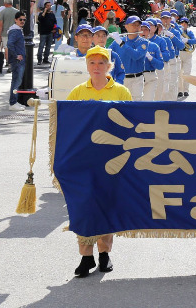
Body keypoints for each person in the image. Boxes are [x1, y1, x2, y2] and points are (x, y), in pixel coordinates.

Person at [66, 45, 132, 278]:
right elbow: (68, 126)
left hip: (112, 159)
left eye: (101, 63)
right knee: (83, 206)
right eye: (92, 63)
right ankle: (86, 256)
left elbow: (130, 124)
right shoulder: (76, 92)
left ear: (109, 66)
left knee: (106, 205)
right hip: (84, 158)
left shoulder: (122, 92)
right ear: (87, 66)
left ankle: (104, 254)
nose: (97, 67)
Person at [7, 11, 27, 110]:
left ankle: (14, 102)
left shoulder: (17, 30)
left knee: (16, 81)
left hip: (18, 60)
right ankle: (13, 102)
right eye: (20, 19)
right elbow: (10, 44)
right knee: (16, 81)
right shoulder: (15, 31)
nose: (22, 21)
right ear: (16, 20)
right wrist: (16, 56)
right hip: (17, 61)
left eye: (24, 19)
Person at [179, 17, 196, 98]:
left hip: (187, 54)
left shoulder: (189, 32)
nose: (183, 25)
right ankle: (179, 90)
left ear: (187, 25)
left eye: (185, 23)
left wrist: (187, 40)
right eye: (182, 23)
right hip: (179, 53)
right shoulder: (178, 32)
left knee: (187, 73)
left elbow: (194, 41)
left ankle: (186, 90)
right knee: (179, 73)